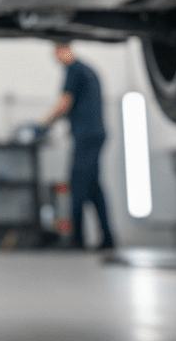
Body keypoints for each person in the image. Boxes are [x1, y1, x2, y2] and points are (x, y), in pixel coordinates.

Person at [40, 41, 116, 250]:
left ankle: (77, 240)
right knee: (93, 189)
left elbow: (64, 104)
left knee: (78, 186)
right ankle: (108, 239)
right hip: (95, 134)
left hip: (85, 136)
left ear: (61, 50)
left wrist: (42, 125)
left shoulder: (74, 71)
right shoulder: (89, 70)